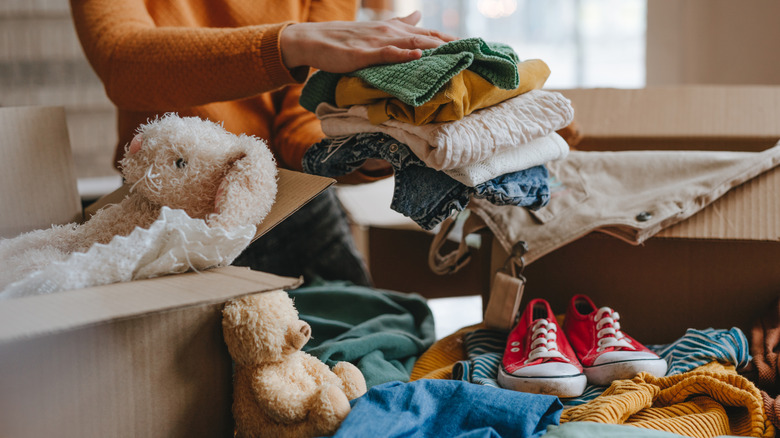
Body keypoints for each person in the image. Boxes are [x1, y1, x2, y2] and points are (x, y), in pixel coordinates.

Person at [70, 0, 456, 286]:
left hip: (289, 202)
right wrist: (290, 43)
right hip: (166, 211)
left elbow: (300, 122)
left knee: (367, 363)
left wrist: (366, 152)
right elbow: (123, 61)